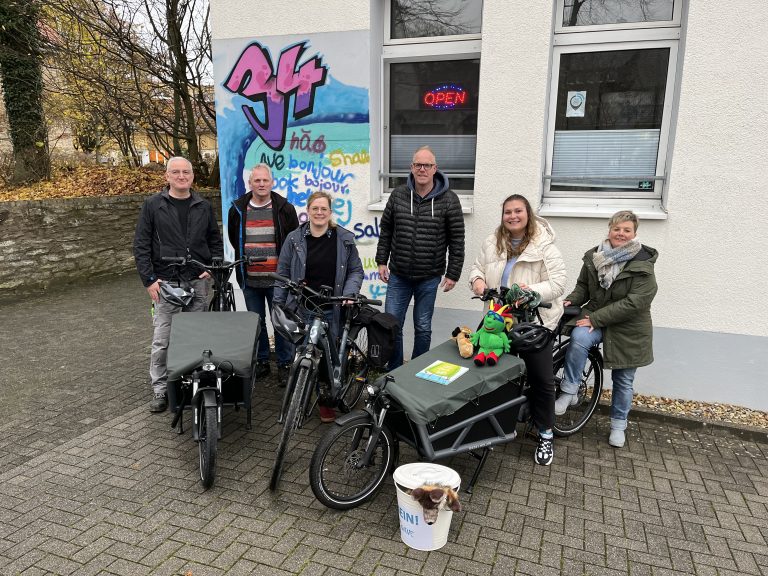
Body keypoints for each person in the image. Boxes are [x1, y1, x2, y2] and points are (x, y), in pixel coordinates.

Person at [469, 194, 566, 466]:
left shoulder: (544, 245)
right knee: (482, 371)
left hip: (534, 321)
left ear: (528, 214)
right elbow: (477, 268)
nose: (513, 216)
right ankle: (484, 426)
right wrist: (477, 281)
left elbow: (558, 283)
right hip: (498, 319)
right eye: (508, 212)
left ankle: (546, 433)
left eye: (518, 211)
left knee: (541, 380)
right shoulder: (492, 242)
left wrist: (531, 291)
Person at [555, 210, 658, 448]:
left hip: (629, 326)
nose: (621, 233)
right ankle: (569, 390)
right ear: (609, 230)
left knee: (623, 379)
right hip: (597, 317)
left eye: (626, 230)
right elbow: (583, 287)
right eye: (617, 229)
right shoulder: (595, 257)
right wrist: (572, 300)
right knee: (578, 337)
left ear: (634, 233)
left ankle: (618, 425)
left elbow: (635, 303)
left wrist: (596, 318)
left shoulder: (643, 263)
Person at [133, 156, 224, 413]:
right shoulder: (153, 205)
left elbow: (214, 241)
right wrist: (149, 280)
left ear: (193, 176)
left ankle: (191, 383)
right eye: (176, 172)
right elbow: (141, 244)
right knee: (163, 339)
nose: (181, 176)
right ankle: (161, 389)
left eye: (186, 172)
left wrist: (211, 268)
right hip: (166, 281)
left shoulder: (203, 206)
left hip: (197, 281)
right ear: (167, 176)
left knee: (197, 336)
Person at [274, 191, 364, 422]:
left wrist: (349, 293)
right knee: (303, 354)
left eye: (324, 209)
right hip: (303, 307)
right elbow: (283, 272)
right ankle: (300, 397)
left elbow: (355, 270)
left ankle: (326, 400)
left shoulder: (343, 239)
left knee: (328, 358)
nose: (320, 213)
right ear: (308, 210)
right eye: (315, 208)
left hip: (332, 308)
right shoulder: (295, 239)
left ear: (330, 212)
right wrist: (278, 303)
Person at [375, 146, 465, 369]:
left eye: (427, 165)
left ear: (435, 169)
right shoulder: (398, 195)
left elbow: (457, 240)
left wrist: (453, 273)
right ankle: (394, 370)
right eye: (418, 164)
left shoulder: (449, 200)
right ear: (411, 168)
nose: (422, 169)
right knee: (392, 325)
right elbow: (386, 229)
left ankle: (416, 370)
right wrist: (381, 261)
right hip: (399, 275)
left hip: (429, 277)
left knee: (423, 327)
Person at [228, 163, 299, 384]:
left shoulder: (285, 208)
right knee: (256, 323)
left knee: (280, 322)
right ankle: (262, 362)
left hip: (278, 280)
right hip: (250, 279)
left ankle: (285, 364)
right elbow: (234, 238)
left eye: (265, 180)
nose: (261, 184)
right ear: (250, 183)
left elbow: (293, 242)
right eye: (256, 180)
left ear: (271, 182)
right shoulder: (238, 209)